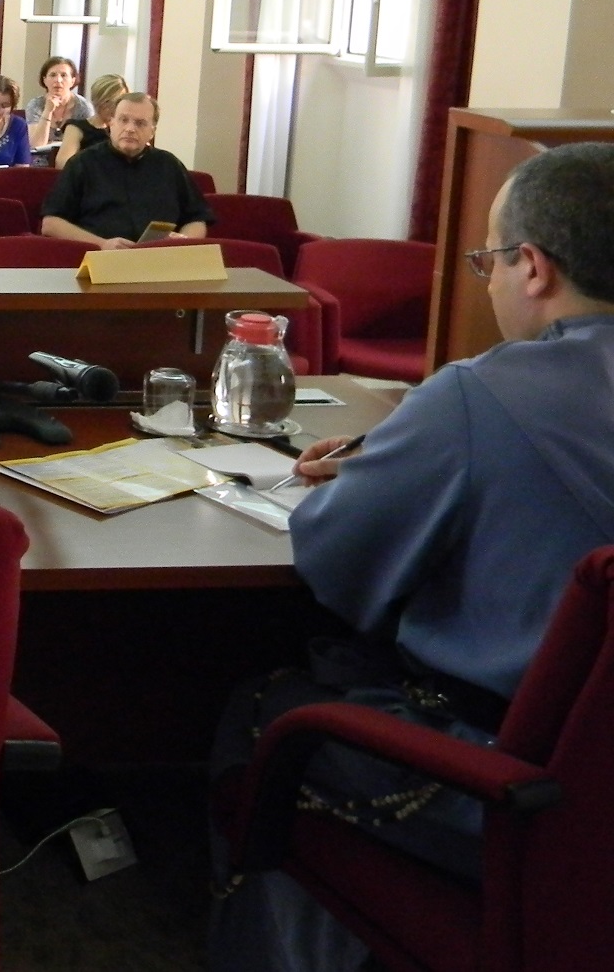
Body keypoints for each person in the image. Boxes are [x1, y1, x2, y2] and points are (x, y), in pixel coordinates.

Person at [210, 143, 614, 972]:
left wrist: (385, 477)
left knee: (264, 707)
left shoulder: (479, 394)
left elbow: (337, 566)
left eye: (490, 261)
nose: (490, 280)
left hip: (515, 793)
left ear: (533, 267)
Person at [41, 93, 212, 248]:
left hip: (162, 263)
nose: (130, 129)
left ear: (152, 131)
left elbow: (196, 219)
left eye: (140, 123)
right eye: (124, 120)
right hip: (100, 260)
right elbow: (51, 224)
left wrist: (183, 241)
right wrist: (101, 244)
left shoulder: (169, 165)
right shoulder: (82, 164)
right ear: (111, 124)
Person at [55, 74, 131, 169]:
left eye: (118, 103)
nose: (113, 108)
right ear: (97, 101)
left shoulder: (125, 129)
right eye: (108, 102)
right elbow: (63, 163)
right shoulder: (76, 128)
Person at [26, 57, 84, 149]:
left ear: (73, 80)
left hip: (73, 159)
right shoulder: (35, 105)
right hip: (41, 160)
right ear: (44, 80)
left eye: (64, 75)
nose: (58, 80)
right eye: (53, 75)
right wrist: (48, 110)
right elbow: (36, 145)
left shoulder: (83, 107)